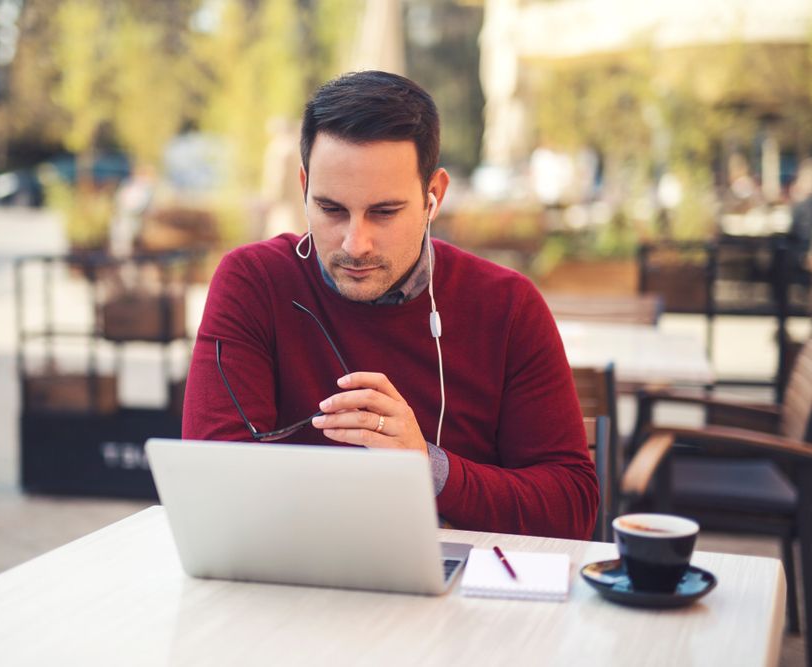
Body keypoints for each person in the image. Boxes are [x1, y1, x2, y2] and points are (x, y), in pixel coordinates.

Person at [181, 71, 597, 539]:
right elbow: (210, 482)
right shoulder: (253, 282)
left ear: (432, 197)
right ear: (303, 187)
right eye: (332, 210)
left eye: (384, 212)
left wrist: (428, 467)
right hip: (289, 590)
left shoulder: (506, 305)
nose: (355, 244)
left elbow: (571, 510)